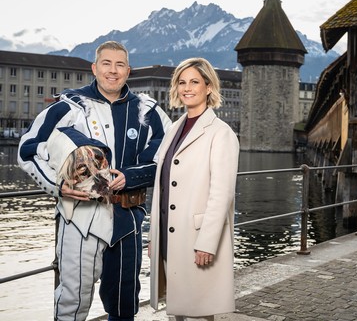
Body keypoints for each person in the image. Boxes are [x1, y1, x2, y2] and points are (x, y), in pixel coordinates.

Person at [17, 41, 172, 321]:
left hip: (128, 217)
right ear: (95, 68)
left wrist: (131, 176)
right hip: (80, 219)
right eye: (106, 63)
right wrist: (56, 185)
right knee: (73, 301)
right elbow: (27, 149)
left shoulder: (148, 112)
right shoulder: (70, 106)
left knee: (125, 303)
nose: (113, 71)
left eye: (119, 64)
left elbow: (170, 159)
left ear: (128, 71)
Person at [149, 58, 240, 321]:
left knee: (201, 311)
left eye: (194, 82)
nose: (187, 88)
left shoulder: (221, 133)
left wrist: (208, 243)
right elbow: (163, 185)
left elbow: (222, 193)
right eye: (182, 82)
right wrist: (154, 235)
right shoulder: (174, 129)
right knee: (177, 307)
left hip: (197, 237)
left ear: (209, 87)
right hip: (170, 235)